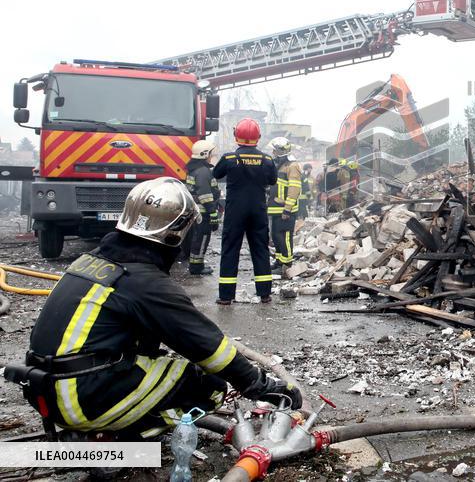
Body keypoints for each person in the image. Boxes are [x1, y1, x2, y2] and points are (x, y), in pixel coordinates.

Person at [14, 177, 301, 439]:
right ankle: (116, 444)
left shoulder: (92, 261)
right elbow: (209, 348)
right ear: (175, 233)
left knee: (160, 364)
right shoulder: (146, 282)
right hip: (80, 398)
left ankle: (105, 425)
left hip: (46, 390)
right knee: (208, 385)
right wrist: (261, 386)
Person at [213, 119, 277, 305]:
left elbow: (216, 174)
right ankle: (264, 294)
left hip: (235, 211)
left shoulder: (229, 158)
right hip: (258, 211)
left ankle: (226, 296)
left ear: (236, 136)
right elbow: (272, 181)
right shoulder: (267, 160)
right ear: (258, 137)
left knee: (230, 250)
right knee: (260, 250)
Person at [182, 140, 220, 276]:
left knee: (198, 238)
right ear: (204, 154)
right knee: (202, 238)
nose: (212, 156)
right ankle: (197, 267)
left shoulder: (196, 169)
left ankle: (196, 264)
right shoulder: (203, 172)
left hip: (198, 211)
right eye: (210, 154)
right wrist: (213, 213)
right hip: (203, 212)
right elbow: (205, 195)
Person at [266, 137, 301, 276]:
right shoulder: (279, 165)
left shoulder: (292, 166)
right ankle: (279, 261)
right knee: (276, 236)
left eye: (274, 150)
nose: (272, 152)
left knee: (285, 237)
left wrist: (287, 208)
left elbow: (294, 188)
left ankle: (287, 264)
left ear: (280, 151)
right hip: (275, 208)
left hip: (285, 210)